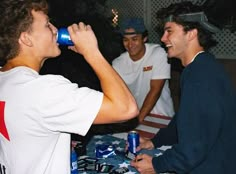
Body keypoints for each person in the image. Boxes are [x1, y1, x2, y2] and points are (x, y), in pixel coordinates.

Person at [0, 0, 139, 174]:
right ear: (26, 38)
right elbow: (126, 108)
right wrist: (92, 52)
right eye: (47, 25)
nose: (55, 30)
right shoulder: (43, 90)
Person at [130, 2, 236, 174]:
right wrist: (154, 142)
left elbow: (194, 147)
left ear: (191, 34)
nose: (163, 38)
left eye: (169, 31)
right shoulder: (200, 67)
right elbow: (186, 119)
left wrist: (157, 165)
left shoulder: (201, 75)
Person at [112, 18, 175, 124]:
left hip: (161, 116)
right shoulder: (117, 63)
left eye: (134, 39)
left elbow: (155, 90)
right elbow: (117, 95)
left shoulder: (158, 54)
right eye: (126, 40)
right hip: (134, 116)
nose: (130, 44)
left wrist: (138, 120)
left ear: (144, 38)